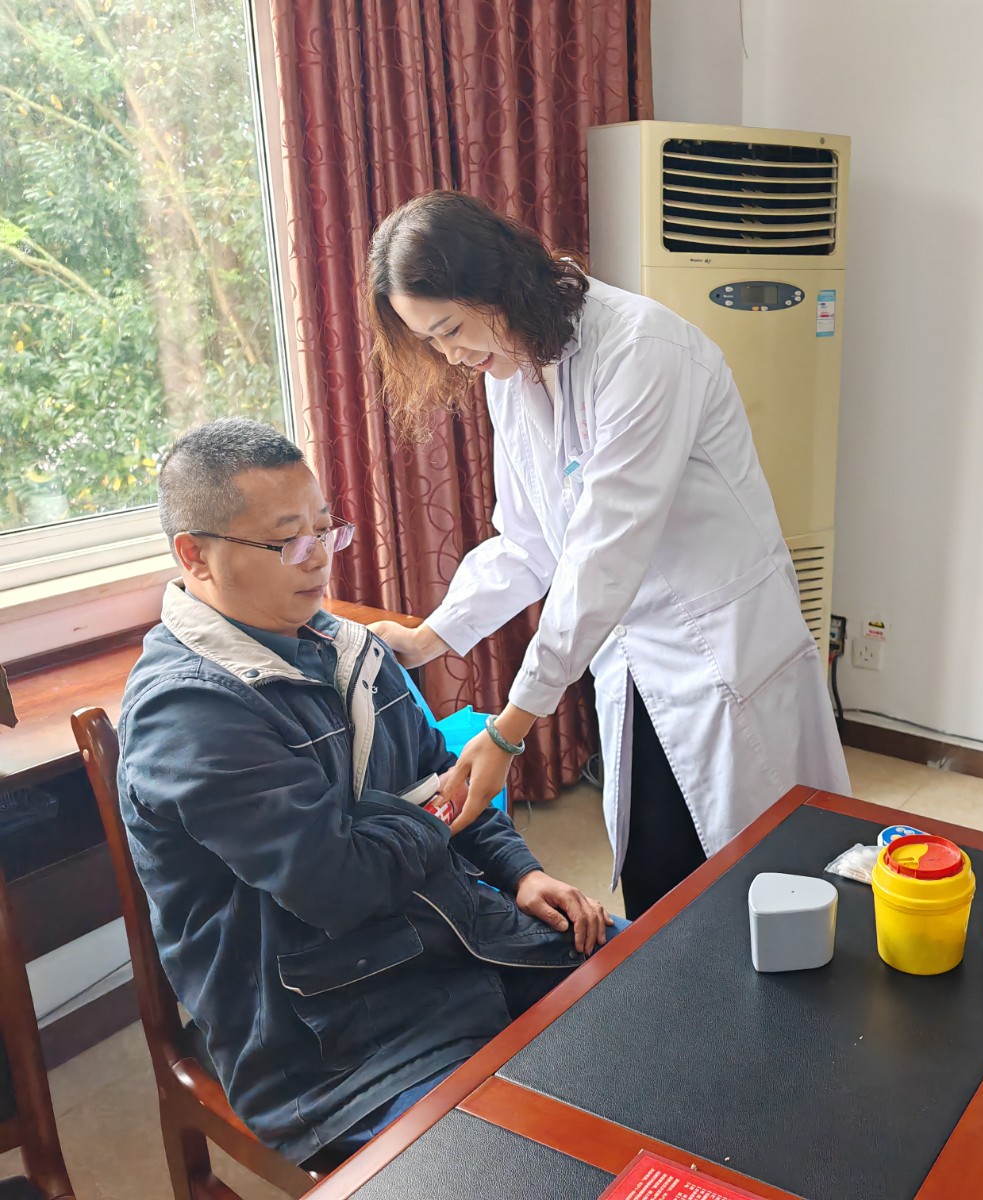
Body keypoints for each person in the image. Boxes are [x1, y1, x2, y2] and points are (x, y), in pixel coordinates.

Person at [119, 418, 618, 1167]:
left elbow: (440, 778)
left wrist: (519, 871)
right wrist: (429, 812)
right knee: (532, 1165)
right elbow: (340, 883)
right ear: (195, 555)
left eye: (325, 529)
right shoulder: (189, 712)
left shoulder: (345, 645)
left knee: (659, 998)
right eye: (287, 541)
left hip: (460, 939)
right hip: (337, 1033)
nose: (319, 557)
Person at [362, 190, 849, 916]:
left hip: (719, 649)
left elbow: (602, 557)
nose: (451, 355)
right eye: (431, 342)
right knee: (659, 875)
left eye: (451, 329)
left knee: (763, 883)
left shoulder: (643, 350)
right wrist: (429, 637)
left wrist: (510, 730)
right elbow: (527, 543)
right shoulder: (509, 373)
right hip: (630, 653)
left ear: (498, 280)